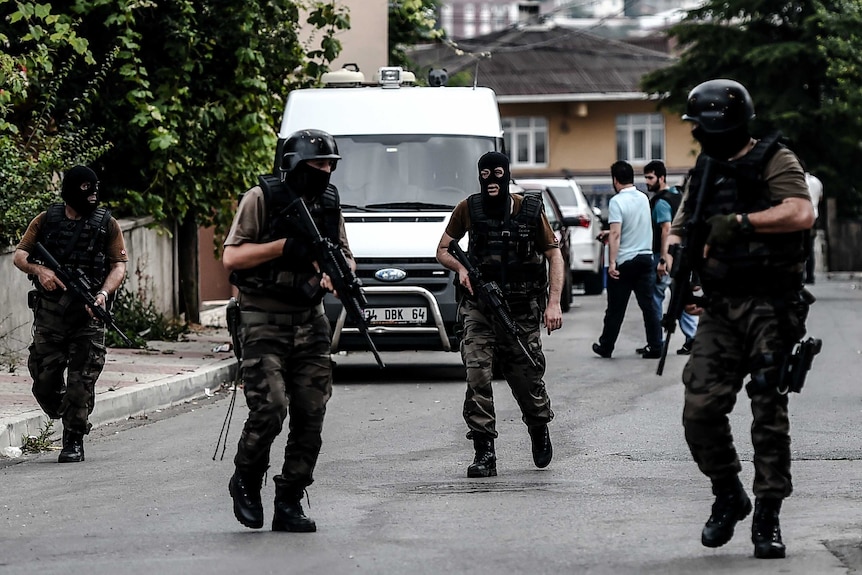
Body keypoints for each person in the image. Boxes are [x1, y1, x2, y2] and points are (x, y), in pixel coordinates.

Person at [671, 79, 815, 559]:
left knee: (767, 413)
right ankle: (729, 493)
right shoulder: (704, 170)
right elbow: (682, 229)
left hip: (772, 306)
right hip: (720, 306)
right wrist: (682, 270)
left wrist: (742, 224)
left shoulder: (775, 159)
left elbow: (799, 212)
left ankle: (768, 518)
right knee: (700, 408)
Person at [223, 129, 352, 532]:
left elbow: (345, 254)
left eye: (330, 165)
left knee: (311, 412)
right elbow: (232, 257)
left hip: (310, 320)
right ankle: (246, 475)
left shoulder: (329, 203)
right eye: (318, 165)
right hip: (262, 318)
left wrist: (338, 275)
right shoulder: (260, 199)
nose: (326, 171)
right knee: (271, 407)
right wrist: (283, 248)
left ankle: (290, 499)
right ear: (295, 164)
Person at [435, 151, 563, 478]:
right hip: (479, 308)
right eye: (485, 174)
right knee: (477, 373)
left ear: (507, 174)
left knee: (527, 377)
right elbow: (443, 249)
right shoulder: (468, 208)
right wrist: (462, 268)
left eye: (497, 173)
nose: (491, 180)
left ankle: (538, 426)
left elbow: (554, 256)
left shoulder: (531, 210)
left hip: (521, 310)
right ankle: (484, 451)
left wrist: (553, 302)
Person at [13, 165, 128, 463]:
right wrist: (40, 271)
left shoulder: (107, 224)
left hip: (88, 317)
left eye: (94, 192)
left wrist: (102, 295)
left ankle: (73, 438)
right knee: (44, 381)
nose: (91, 198)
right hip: (50, 316)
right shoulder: (46, 220)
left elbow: (118, 265)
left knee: (81, 381)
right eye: (84, 192)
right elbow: (20, 256)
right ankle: (67, 411)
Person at [591, 161, 663, 359]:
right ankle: (656, 345)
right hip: (645, 258)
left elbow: (616, 234)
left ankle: (606, 346)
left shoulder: (616, 201)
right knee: (649, 306)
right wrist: (611, 233)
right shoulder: (644, 198)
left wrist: (612, 263)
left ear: (615, 180)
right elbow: (635, 226)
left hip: (625, 262)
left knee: (615, 308)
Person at [642, 160, 698, 355]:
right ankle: (692, 338)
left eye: (650, 177)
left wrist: (663, 260)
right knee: (681, 296)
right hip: (684, 254)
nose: (647, 182)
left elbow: (666, 229)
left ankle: (657, 340)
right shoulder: (679, 196)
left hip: (665, 255)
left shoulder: (661, 202)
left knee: (656, 298)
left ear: (661, 177)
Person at [803, 168, 823, 284]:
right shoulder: (817, 181)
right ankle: (810, 276)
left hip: (800, 216)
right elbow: (820, 198)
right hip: (813, 217)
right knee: (810, 247)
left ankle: (801, 274)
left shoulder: (797, 181)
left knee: (799, 246)